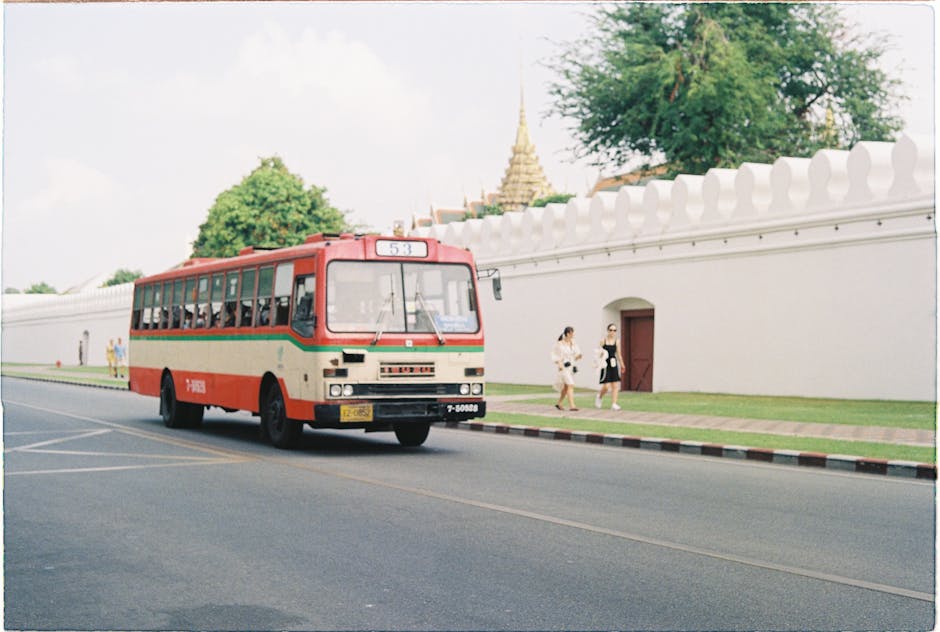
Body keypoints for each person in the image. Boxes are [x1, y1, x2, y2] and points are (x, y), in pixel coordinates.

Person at [551, 326, 582, 411]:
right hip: (564, 368)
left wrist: (579, 356)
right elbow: (554, 355)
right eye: (572, 333)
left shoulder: (573, 344)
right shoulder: (560, 344)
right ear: (568, 334)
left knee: (566, 387)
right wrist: (559, 363)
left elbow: (576, 355)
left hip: (571, 368)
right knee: (571, 384)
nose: (573, 335)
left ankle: (559, 403)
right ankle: (572, 406)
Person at [595, 323, 624, 410]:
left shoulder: (617, 341)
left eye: (614, 330)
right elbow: (598, 352)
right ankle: (599, 396)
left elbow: (618, 354)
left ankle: (614, 403)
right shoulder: (603, 341)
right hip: (605, 364)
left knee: (615, 385)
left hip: (613, 363)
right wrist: (601, 355)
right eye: (611, 330)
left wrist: (622, 364)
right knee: (606, 386)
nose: (612, 332)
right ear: (608, 331)